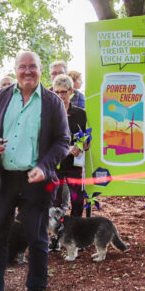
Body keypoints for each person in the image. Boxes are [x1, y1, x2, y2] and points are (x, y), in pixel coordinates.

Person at [0, 51, 70, 291]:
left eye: (32, 67)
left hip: (36, 180)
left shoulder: (52, 102)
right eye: (22, 67)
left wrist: (44, 166)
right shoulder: (1, 97)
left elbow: (63, 141)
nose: (27, 71)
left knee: (37, 239)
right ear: (15, 70)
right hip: (4, 179)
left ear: (40, 70)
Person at [52, 74, 88, 221]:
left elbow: (86, 137)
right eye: (57, 92)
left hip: (75, 164)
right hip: (55, 164)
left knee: (78, 199)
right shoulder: (49, 113)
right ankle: (56, 236)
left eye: (64, 92)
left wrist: (82, 145)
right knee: (56, 201)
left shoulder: (80, 113)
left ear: (71, 91)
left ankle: (74, 232)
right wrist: (66, 149)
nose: (60, 95)